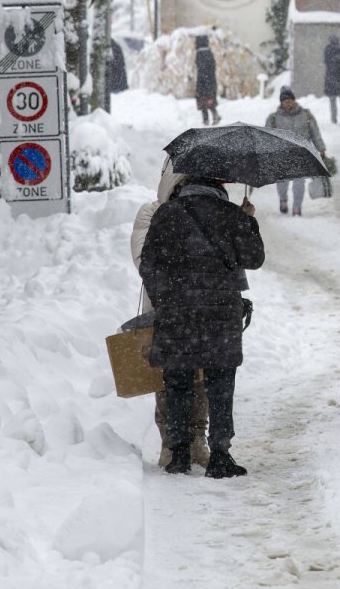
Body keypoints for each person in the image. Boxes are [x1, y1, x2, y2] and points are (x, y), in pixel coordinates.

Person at [138, 176, 264, 478]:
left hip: (177, 314)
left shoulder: (166, 215)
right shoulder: (232, 215)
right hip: (220, 318)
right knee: (220, 385)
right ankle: (220, 454)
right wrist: (249, 222)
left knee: (178, 383)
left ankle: (179, 453)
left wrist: (165, 298)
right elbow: (254, 258)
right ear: (219, 187)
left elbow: (148, 264)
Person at [131, 159, 208, 468]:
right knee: (166, 378)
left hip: (200, 307)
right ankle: (170, 442)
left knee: (200, 376)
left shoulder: (204, 212)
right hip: (165, 307)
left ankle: (197, 440)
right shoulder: (152, 212)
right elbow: (142, 259)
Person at [266, 87, 326, 215]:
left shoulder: (306, 115)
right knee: (282, 181)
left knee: (299, 183)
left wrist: (321, 148)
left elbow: (315, 133)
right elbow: (266, 138)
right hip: (281, 155)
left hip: (301, 154)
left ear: (294, 100)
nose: (288, 102)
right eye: (285, 100)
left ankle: (297, 207)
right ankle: (283, 201)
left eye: (290, 99)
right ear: (281, 102)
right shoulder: (273, 118)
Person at [194, 34, 220, 125]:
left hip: (202, 82)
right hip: (211, 81)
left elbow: (200, 68)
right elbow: (213, 67)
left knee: (202, 101)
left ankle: (206, 120)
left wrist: (202, 81)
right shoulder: (210, 53)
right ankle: (215, 115)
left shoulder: (199, 54)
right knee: (210, 99)